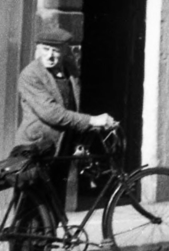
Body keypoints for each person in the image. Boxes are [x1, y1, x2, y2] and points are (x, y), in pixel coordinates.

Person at [16, 24, 118, 213]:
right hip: (38, 147)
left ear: (64, 52)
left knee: (55, 205)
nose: (50, 56)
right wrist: (92, 121)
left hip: (62, 148)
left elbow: (73, 106)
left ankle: (48, 241)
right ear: (37, 49)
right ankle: (24, 243)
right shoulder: (30, 75)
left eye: (55, 51)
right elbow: (52, 113)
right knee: (32, 208)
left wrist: (80, 141)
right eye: (45, 50)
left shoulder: (70, 72)